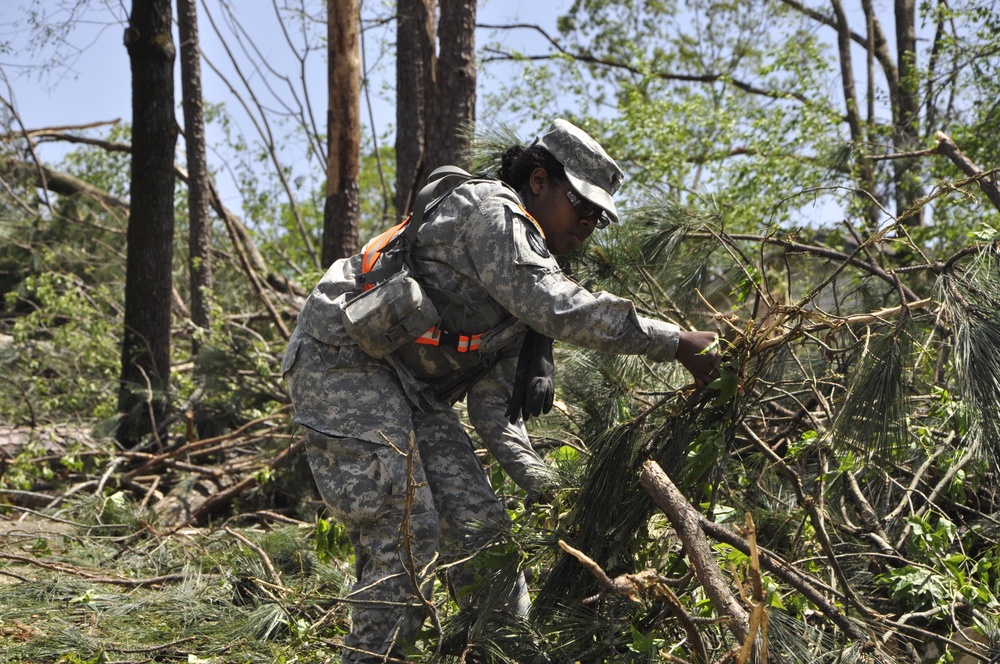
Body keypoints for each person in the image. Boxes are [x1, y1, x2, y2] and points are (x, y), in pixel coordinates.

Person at [281, 118, 720, 663]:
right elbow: (558, 305)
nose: (587, 224)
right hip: (341, 361)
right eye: (580, 206)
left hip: (409, 388)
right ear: (539, 181)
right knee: (406, 543)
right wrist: (676, 341)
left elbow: (494, 413)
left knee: (481, 533)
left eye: (597, 217)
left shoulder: (519, 300)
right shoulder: (493, 212)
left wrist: (550, 487)